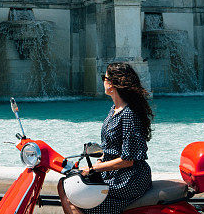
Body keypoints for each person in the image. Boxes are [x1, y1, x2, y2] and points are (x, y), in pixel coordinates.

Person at [58, 62, 153, 214]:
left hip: (128, 179)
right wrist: (99, 161)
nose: (103, 81)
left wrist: (92, 169)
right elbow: (111, 147)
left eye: (105, 77)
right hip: (112, 173)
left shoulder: (128, 114)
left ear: (113, 83)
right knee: (64, 184)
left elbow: (128, 160)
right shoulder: (114, 110)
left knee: (77, 198)